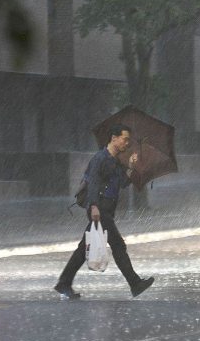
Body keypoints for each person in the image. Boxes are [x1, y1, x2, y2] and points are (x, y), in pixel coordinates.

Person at [54, 123, 155, 299]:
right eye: (125, 139)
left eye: (128, 141)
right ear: (114, 138)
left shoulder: (115, 161)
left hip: (105, 209)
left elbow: (122, 183)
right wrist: (93, 206)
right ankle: (135, 283)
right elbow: (93, 182)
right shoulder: (100, 158)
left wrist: (131, 166)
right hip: (100, 209)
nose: (126, 144)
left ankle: (64, 283)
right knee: (118, 245)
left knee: (83, 248)